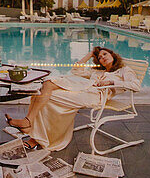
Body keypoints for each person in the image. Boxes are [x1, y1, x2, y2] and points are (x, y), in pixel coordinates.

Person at [5, 45, 141, 151]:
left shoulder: (123, 70)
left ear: (112, 54)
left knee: (48, 89)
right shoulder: (98, 71)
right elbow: (76, 70)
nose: (102, 57)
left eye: (105, 54)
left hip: (96, 96)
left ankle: (29, 125)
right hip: (84, 91)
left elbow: (136, 85)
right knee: (45, 94)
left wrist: (111, 82)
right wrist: (90, 54)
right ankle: (33, 131)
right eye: (99, 57)